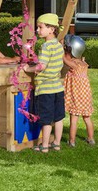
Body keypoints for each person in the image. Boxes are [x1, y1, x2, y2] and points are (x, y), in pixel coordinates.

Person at [23, 13, 64, 153]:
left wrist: (29, 69)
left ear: (51, 29)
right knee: (58, 118)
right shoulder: (59, 45)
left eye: (40, 27)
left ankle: (44, 146)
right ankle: (57, 143)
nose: (38, 30)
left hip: (46, 89)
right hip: (58, 88)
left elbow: (41, 66)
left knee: (46, 119)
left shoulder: (46, 46)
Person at [63, 34, 95, 147]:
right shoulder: (83, 63)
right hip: (85, 98)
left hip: (76, 98)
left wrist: (60, 49)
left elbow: (65, 60)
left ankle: (71, 141)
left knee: (74, 120)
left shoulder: (74, 65)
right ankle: (91, 139)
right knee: (87, 119)